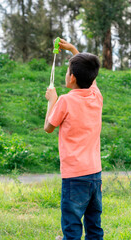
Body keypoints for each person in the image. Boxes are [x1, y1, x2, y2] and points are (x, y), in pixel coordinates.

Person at [44, 39, 104, 240]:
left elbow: (48, 127)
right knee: (94, 225)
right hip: (95, 174)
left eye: (68, 71)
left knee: (72, 226)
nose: (66, 74)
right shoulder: (96, 96)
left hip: (74, 176)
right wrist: (71, 49)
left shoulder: (65, 100)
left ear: (72, 78)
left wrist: (52, 100)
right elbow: (89, 76)